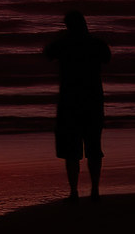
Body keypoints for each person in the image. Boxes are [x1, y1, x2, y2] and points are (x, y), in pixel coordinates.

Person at [44, 11, 111, 201]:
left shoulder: (63, 44)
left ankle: (74, 191)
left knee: (71, 150)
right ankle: (95, 189)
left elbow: (47, 54)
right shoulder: (96, 44)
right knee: (93, 147)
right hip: (93, 100)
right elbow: (107, 58)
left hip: (69, 101)